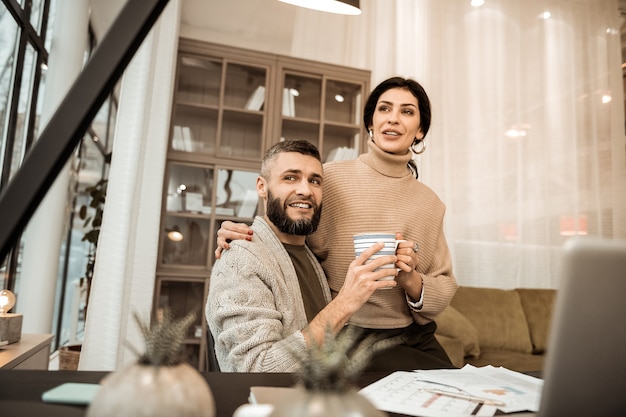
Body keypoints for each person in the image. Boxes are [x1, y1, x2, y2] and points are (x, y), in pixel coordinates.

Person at [216, 77, 458, 371]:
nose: (393, 119)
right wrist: (240, 234)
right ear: (370, 122)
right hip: (344, 329)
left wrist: (411, 281)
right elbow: (286, 218)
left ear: (420, 130)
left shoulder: (430, 203)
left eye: (407, 112)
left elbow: (444, 286)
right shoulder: (326, 178)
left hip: (413, 335)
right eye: (384, 109)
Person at [206, 139, 400, 372]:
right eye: (290, 177)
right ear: (261, 187)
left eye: (315, 181)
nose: (305, 190)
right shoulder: (240, 259)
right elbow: (257, 368)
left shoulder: (311, 254)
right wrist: (346, 302)